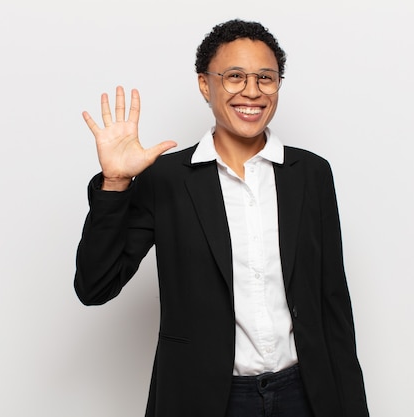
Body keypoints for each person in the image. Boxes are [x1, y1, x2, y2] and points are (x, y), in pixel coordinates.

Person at [75, 19, 369, 417]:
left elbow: (334, 305)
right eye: (234, 76)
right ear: (204, 85)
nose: (252, 90)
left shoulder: (311, 174)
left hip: (305, 394)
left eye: (266, 77)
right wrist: (115, 183)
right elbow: (95, 285)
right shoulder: (167, 179)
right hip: (206, 399)